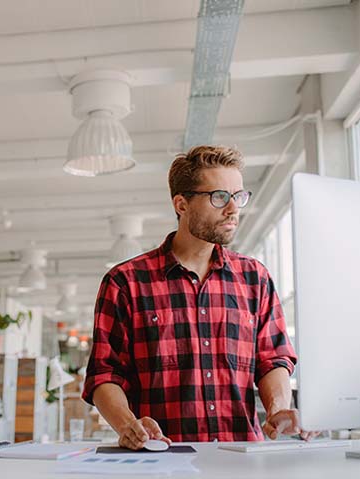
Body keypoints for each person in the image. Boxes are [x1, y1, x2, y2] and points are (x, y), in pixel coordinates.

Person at [82, 145, 320, 449]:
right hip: (162, 459)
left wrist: (277, 409)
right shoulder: (126, 282)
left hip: (242, 460)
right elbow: (105, 374)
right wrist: (129, 425)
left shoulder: (254, 278)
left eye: (238, 197)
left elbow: (273, 359)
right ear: (181, 204)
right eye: (219, 197)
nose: (233, 209)